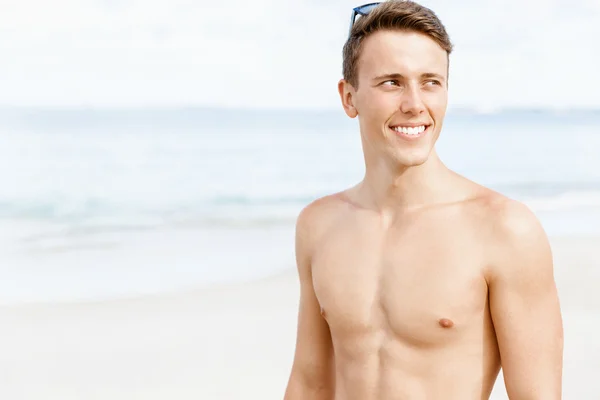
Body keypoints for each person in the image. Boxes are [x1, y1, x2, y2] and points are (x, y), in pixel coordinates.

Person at [283, 1, 564, 399]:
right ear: (349, 98)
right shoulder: (319, 225)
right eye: (391, 82)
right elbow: (310, 383)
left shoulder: (504, 229)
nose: (415, 104)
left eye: (431, 81)